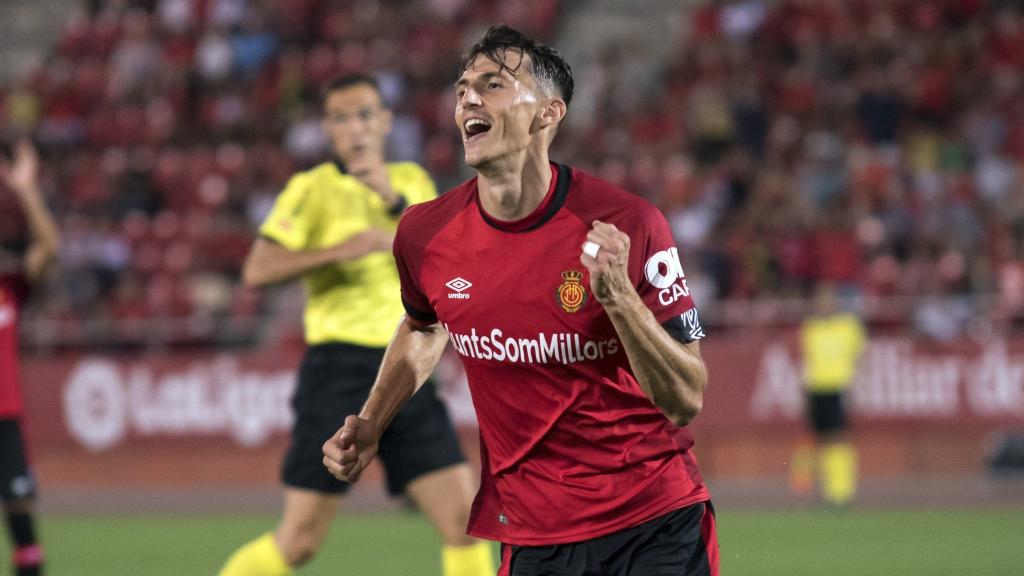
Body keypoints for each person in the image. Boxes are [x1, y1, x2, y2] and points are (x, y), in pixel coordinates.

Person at [323, 26, 719, 576]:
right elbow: (423, 326)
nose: (468, 98)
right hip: (531, 538)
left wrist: (621, 300)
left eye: (493, 85)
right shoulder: (424, 234)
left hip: (652, 523)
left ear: (548, 114)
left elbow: (686, 398)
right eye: (462, 88)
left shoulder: (629, 225)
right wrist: (372, 421)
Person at [218, 74, 493, 576]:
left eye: (365, 114)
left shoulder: (411, 182)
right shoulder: (312, 189)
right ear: (329, 130)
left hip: (408, 363)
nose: (356, 128)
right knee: (299, 541)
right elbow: (259, 269)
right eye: (342, 118)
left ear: (385, 122)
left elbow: (445, 257)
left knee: (462, 519)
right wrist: (336, 251)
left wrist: (391, 201)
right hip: (337, 367)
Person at [0, 140, 60, 576]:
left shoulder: (10, 288)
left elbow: (50, 248)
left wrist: (25, 189)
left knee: (25, 536)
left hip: (6, 420)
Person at [790, 282, 866, 507]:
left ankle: (841, 492)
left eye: (828, 299)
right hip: (816, 388)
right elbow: (805, 362)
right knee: (816, 440)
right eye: (820, 300)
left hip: (838, 388)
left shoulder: (849, 326)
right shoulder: (810, 328)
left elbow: (860, 360)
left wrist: (856, 389)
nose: (824, 304)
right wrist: (803, 392)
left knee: (838, 438)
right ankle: (817, 490)